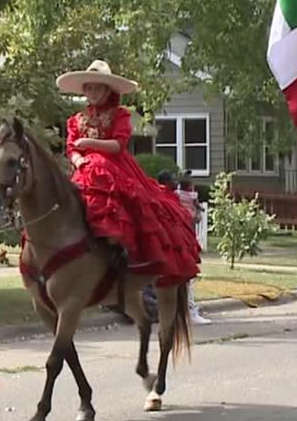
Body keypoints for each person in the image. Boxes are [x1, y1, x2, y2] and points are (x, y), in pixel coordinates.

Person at [59, 59, 201, 287]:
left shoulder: (120, 115)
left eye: (97, 88)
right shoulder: (76, 120)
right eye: (89, 88)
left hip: (113, 166)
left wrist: (90, 144)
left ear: (108, 90)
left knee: (127, 202)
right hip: (83, 168)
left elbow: (118, 144)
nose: (92, 92)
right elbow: (71, 148)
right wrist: (78, 160)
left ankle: (122, 252)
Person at [175, 171, 212, 325]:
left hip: (179, 238)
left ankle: (182, 309)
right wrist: (197, 212)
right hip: (183, 238)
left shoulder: (175, 196)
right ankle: (189, 310)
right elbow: (196, 215)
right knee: (187, 274)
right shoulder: (190, 198)